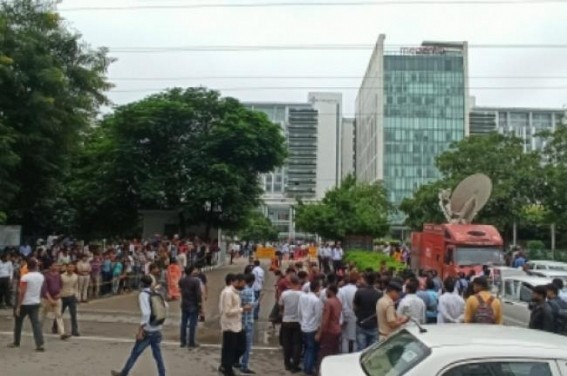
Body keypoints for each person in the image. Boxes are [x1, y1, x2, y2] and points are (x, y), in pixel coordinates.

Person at [111, 275, 167, 376]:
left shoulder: (143, 295)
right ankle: (162, 374)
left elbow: (146, 313)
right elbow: (165, 306)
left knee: (135, 353)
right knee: (158, 356)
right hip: (157, 328)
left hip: (148, 330)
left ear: (141, 283)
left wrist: (140, 330)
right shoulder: (156, 293)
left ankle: (124, 373)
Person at [8, 258, 45, 351]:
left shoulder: (25, 277)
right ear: (36, 266)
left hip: (25, 302)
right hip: (35, 302)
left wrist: (18, 306)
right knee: (36, 324)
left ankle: (16, 341)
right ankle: (40, 343)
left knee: (18, 323)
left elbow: (22, 292)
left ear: (27, 266)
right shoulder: (41, 276)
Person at [219, 274, 250, 376]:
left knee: (240, 346)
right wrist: (242, 309)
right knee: (230, 348)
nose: (243, 285)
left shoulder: (235, 293)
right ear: (235, 281)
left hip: (237, 324)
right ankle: (227, 368)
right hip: (229, 325)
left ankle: (226, 364)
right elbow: (227, 311)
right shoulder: (228, 293)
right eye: (242, 283)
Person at [298, 280, 323, 376]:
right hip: (312, 328)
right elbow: (318, 316)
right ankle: (308, 369)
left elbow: (299, 311)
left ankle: (306, 366)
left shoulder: (302, 297)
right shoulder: (316, 300)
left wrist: (301, 322)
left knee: (307, 348)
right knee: (311, 349)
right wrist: (318, 328)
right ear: (317, 288)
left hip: (304, 326)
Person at [279, 275, 303, 373]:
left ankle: (287, 363)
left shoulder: (284, 294)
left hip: (286, 321)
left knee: (287, 344)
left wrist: (284, 313)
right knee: (297, 344)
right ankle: (295, 364)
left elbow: (280, 306)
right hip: (298, 321)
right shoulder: (302, 294)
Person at [316, 284, 342, 370]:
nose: (326, 292)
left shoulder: (328, 302)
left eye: (327, 290)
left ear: (331, 291)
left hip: (329, 331)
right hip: (337, 330)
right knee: (334, 353)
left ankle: (322, 371)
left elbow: (325, 320)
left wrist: (319, 333)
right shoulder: (338, 301)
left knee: (324, 354)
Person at [41, 263, 70, 340]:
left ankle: (62, 333)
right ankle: (38, 330)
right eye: (55, 265)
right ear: (50, 266)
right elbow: (45, 289)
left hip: (57, 298)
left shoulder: (58, 275)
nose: (57, 267)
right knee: (42, 315)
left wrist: (60, 294)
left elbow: (61, 286)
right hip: (47, 299)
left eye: (57, 265)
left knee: (59, 315)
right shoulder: (46, 276)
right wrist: (50, 299)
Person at [353, 272, 382, 351]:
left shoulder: (359, 292)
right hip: (374, 325)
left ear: (365, 280)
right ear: (375, 281)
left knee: (360, 350)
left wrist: (359, 315)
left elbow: (355, 307)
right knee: (372, 351)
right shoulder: (379, 294)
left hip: (361, 324)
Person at [178, 266, 202, 348]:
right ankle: (191, 341)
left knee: (183, 323)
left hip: (184, 303)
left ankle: (183, 341)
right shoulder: (196, 281)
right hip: (193, 304)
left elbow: (181, 290)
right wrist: (200, 304)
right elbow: (198, 294)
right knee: (192, 324)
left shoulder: (181, 280)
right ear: (192, 271)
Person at [239, 273, 257, 374]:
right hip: (248, 321)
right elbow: (250, 306)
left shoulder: (241, 291)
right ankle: (244, 365)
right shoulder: (249, 291)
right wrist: (257, 302)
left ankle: (237, 362)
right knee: (247, 345)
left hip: (241, 320)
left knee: (240, 343)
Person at [338, 272, 358, 353]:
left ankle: (344, 354)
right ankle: (354, 354)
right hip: (353, 316)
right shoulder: (357, 290)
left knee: (344, 337)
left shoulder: (342, 290)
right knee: (354, 338)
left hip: (343, 315)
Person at [58, 263, 80, 336]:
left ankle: (74, 330)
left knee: (73, 314)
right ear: (66, 268)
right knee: (59, 313)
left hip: (71, 296)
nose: (70, 269)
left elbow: (76, 287)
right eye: (69, 267)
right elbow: (59, 286)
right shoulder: (61, 276)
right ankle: (55, 326)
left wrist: (77, 296)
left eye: (72, 267)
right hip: (63, 296)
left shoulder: (75, 276)